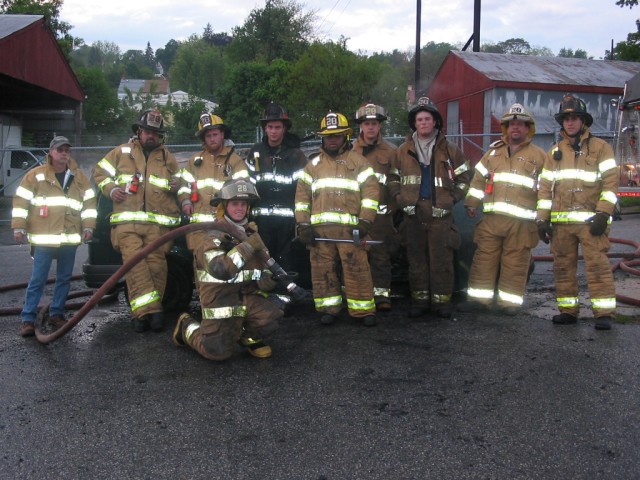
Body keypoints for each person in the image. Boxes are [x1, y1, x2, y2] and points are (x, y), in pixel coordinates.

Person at [172, 179, 283, 360]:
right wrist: (247, 247)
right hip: (220, 302)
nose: (239, 208)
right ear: (224, 207)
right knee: (217, 352)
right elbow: (220, 269)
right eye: (234, 204)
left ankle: (248, 336)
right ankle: (186, 327)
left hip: (245, 297)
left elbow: (264, 267)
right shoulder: (212, 238)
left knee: (272, 314)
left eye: (243, 204)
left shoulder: (251, 235)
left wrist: (268, 279)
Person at [93, 109, 180, 333]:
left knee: (157, 267)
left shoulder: (167, 157)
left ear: (160, 136)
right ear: (139, 132)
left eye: (155, 132)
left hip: (157, 226)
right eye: (147, 131)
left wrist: (178, 185)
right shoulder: (121, 152)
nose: (151, 136)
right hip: (126, 224)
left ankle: (142, 315)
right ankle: (150, 312)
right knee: (136, 266)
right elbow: (100, 172)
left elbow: (181, 181)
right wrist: (111, 190)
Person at [536, 94, 619, 330]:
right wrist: (542, 220)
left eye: (575, 118)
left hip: (592, 222)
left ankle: (603, 313)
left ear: (584, 121)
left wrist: (603, 214)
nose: (570, 122)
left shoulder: (602, 148)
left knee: (598, 266)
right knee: (562, 268)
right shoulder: (554, 152)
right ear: (562, 122)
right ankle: (568, 311)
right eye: (566, 118)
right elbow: (544, 189)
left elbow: (611, 184)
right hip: (562, 226)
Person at [387, 97, 472, 318]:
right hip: (413, 214)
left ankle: (441, 304)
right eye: (419, 119)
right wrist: (400, 198)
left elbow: (465, 178)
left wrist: (452, 199)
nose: (423, 123)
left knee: (441, 261)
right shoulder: (402, 151)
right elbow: (393, 178)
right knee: (416, 261)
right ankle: (420, 302)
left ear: (435, 122)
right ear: (414, 124)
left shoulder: (450, 150)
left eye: (427, 118)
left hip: (440, 215)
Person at [460, 103, 547, 315]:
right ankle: (480, 301)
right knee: (484, 260)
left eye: (520, 124)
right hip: (492, 220)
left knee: (515, 263)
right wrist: (472, 203)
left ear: (529, 128)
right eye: (511, 124)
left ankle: (509, 304)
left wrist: (543, 218)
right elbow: (479, 180)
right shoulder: (492, 153)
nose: (515, 128)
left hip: (521, 223)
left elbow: (546, 190)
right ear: (506, 128)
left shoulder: (539, 156)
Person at [294, 111, 379, 327]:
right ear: (323, 138)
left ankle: (363, 310)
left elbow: (371, 195)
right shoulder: (312, 166)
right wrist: (303, 225)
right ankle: (328, 308)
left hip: (351, 230)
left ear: (345, 136)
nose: (332, 139)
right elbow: (302, 199)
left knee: (357, 268)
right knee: (322, 270)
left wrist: (365, 222)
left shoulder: (359, 163)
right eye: (328, 136)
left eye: (337, 135)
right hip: (320, 232)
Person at [12, 136, 96, 337]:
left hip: (68, 237)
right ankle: (28, 319)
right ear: (51, 152)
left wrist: (89, 227)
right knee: (38, 279)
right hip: (45, 238)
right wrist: (18, 228)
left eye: (67, 150)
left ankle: (56, 313)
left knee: (64, 278)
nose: (64, 153)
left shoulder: (78, 177)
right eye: (60, 150)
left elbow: (90, 203)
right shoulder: (36, 176)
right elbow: (21, 202)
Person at [245, 102, 308, 281]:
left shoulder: (296, 155)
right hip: (260, 221)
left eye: (277, 127)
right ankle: (265, 298)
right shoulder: (255, 152)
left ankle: (285, 295)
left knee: (285, 260)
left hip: (287, 221)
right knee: (262, 260)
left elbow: (303, 189)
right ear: (264, 128)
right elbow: (248, 185)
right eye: (270, 127)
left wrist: (300, 219)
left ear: (285, 128)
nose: (273, 131)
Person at [178, 112, 249, 252]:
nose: (212, 139)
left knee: (222, 266)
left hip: (225, 228)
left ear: (222, 134)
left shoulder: (235, 162)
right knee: (199, 266)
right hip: (198, 228)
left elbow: (243, 192)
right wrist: (185, 201)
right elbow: (184, 186)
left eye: (215, 134)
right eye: (208, 136)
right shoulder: (194, 161)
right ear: (204, 138)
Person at [352, 103, 398, 311]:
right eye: (367, 124)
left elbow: (398, 180)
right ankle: (357, 295)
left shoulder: (391, 152)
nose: (370, 128)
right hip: (356, 215)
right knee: (357, 256)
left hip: (381, 217)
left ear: (380, 126)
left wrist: (394, 205)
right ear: (361, 126)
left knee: (381, 256)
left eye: (374, 124)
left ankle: (382, 297)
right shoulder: (350, 151)